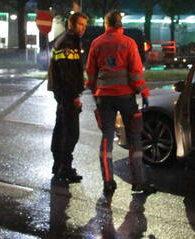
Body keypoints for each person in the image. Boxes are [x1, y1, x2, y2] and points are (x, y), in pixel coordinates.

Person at [86, 10, 156, 196]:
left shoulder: (97, 43)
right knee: (134, 137)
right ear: (120, 25)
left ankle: (108, 181)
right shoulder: (128, 43)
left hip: (104, 98)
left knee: (107, 138)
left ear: (106, 24)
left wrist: (95, 92)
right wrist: (144, 93)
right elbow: (135, 73)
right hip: (126, 98)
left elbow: (91, 74)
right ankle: (139, 181)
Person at [47, 11, 88, 183]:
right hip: (67, 93)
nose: (83, 28)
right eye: (80, 24)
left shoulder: (65, 40)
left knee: (61, 128)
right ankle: (65, 168)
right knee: (71, 132)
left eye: (85, 25)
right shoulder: (69, 42)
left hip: (62, 92)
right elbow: (68, 73)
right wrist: (74, 96)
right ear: (71, 24)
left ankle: (58, 165)